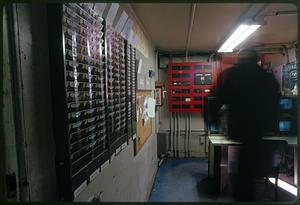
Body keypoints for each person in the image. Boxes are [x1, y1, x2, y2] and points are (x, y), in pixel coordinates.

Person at [212, 51, 280, 201]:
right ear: (256, 60)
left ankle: (243, 195)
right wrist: (274, 128)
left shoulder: (233, 75)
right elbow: (277, 106)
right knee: (254, 173)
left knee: (244, 177)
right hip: (262, 135)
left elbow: (216, 100)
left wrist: (214, 122)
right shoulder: (268, 78)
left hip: (241, 132)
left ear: (240, 59)